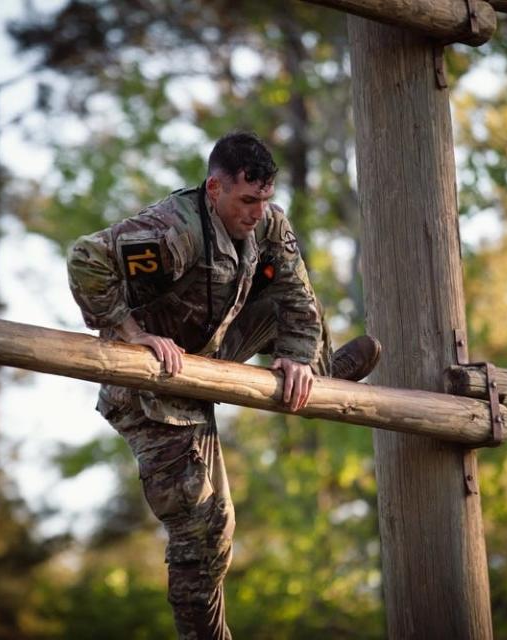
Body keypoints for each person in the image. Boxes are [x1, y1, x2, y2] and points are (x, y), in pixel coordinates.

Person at [66, 131, 380, 640]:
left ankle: (318, 377)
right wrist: (133, 333)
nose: (257, 212)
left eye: (265, 200)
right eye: (247, 200)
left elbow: (296, 294)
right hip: (153, 388)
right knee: (209, 529)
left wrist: (297, 358)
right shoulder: (174, 230)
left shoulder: (269, 224)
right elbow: (86, 260)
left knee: (292, 300)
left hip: (210, 349)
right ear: (215, 189)